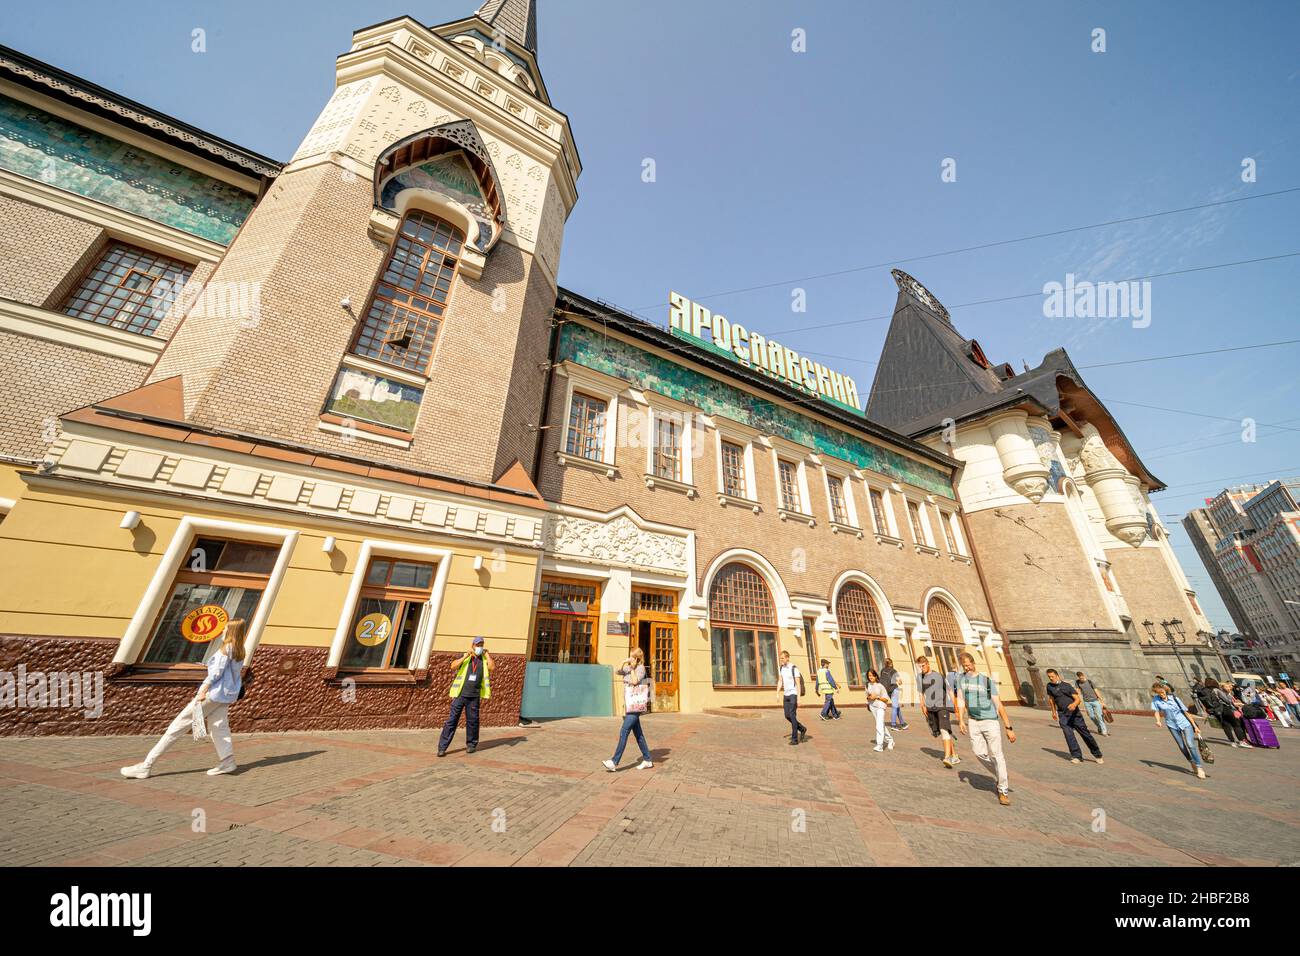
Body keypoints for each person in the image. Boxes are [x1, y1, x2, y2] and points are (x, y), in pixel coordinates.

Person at [121, 619, 246, 779]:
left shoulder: (225, 649)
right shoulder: (240, 650)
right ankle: (227, 761)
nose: (222, 631)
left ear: (231, 632)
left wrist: (202, 691)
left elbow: (215, 675)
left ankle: (146, 766)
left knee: (177, 727)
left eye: (225, 629)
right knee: (219, 727)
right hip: (225, 696)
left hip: (211, 694)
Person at [954, 651, 1017, 806]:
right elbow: (961, 700)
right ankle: (1000, 773)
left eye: (968, 665)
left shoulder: (986, 681)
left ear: (974, 663)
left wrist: (1008, 727)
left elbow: (999, 704)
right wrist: (961, 719)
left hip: (990, 721)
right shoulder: (961, 679)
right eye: (964, 666)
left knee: (997, 755)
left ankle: (1003, 790)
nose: (967, 668)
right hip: (973, 721)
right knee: (979, 753)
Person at [437, 636, 493, 757]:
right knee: (451, 721)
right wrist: (465, 656)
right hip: (460, 695)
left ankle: (471, 745)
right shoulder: (466, 657)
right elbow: (453, 666)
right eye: (478, 645)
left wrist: (487, 654)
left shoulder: (484, 659)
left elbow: (492, 667)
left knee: (473, 722)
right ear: (472, 645)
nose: (480, 647)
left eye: (481, 645)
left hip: (474, 696)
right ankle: (442, 747)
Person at [603, 647, 654, 771]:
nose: (630, 658)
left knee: (624, 731)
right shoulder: (628, 667)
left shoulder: (640, 669)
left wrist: (632, 668)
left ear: (637, 658)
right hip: (629, 704)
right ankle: (647, 760)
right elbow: (617, 671)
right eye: (630, 656)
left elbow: (636, 681)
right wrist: (624, 662)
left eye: (632, 657)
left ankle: (614, 762)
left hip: (635, 706)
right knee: (639, 735)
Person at [1045, 668, 1104, 764]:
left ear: (1057, 675)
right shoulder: (1049, 686)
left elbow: (1077, 699)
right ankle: (1076, 756)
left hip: (1074, 714)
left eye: (1052, 676)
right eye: (1049, 677)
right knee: (1068, 734)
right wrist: (1053, 712)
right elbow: (1051, 699)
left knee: (1085, 734)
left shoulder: (1067, 686)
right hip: (1062, 714)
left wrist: (1073, 705)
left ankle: (1097, 754)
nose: (1051, 678)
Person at [1151, 682, 1207, 779]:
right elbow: (1156, 711)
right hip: (1171, 725)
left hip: (1185, 723)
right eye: (1159, 693)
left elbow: (1186, 712)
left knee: (1190, 744)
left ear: (1165, 690)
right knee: (1182, 746)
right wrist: (1158, 721)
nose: (1161, 695)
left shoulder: (1175, 699)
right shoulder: (1156, 700)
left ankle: (1199, 767)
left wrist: (1195, 726)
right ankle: (1191, 761)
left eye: (1162, 692)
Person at [916, 655, 959, 768]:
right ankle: (954, 755)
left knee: (944, 730)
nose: (922, 668)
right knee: (943, 731)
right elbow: (921, 693)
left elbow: (949, 690)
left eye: (923, 666)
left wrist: (955, 705)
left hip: (942, 706)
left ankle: (947, 758)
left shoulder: (938, 675)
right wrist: (922, 705)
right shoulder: (919, 678)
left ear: (928, 663)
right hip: (930, 707)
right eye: (920, 667)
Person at [777, 650, 808, 746]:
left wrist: (799, 698)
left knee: (792, 715)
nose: (781, 660)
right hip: (786, 695)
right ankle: (802, 728)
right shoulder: (781, 668)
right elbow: (780, 681)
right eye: (780, 658)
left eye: (782, 658)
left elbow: (798, 684)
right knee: (787, 715)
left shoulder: (794, 669)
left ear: (787, 658)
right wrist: (777, 692)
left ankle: (795, 739)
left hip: (793, 694)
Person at [864, 668, 894, 752]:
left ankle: (879, 745)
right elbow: (867, 696)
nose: (871, 677)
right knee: (881, 724)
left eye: (872, 675)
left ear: (875, 676)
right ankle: (890, 740)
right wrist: (869, 697)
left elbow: (886, 699)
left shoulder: (880, 686)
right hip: (873, 706)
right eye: (869, 675)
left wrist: (876, 697)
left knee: (878, 725)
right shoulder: (867, 685)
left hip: (881, 706)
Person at [1216, 681, 1252, 748]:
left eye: (1230, 686)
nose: (1230, 687)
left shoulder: (1223, 693)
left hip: (1223, 710)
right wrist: (1238, 704)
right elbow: (1229, 702)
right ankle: (1241, 741)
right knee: (1235, 725)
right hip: (1227, 710)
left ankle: (1234, 741)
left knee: (1227, 726)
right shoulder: (1222, 693)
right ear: (1222, 687)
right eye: (1228, 686)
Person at [1074, 670, 1109, 736]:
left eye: (1082, 677)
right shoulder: (1077, 682)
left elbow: (1096, 691)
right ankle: (1099, 727)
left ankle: (1104, 731)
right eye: (1080, 678)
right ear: (1078, 677)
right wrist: (1077, 699)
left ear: (1084, 675)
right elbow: (1077, 691)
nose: (1082, 679)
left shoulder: (1090, 682)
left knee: (1099, 716)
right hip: (1087, 702)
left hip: (1095, 701)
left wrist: (1102, 701)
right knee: (1091, 716)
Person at [880, 658, 907, 730]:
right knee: (895, 707)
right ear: (891, 663)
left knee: (896, 706)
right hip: (894, 689)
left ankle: (903, 723)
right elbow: (900, 681)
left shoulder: (882, 670)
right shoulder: (893, 671)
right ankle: (893, 724)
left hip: (887, 690)